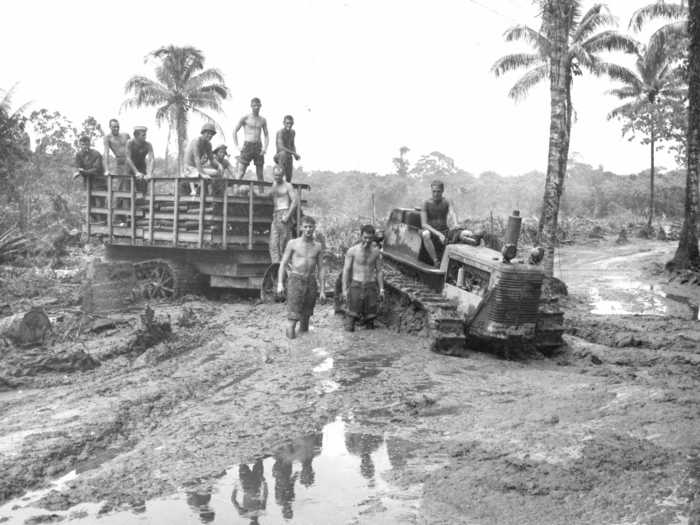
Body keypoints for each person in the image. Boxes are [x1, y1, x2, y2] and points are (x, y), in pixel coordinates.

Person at [277, 215, 326, 339]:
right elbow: (283, 263)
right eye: (306, 227)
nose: (308, 229)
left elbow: (321, 268)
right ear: (301, 228)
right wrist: (280, 283)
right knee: (292, 319)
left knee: (306, 317)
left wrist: (322, 290)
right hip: (295, 280)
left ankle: (303, 349)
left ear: (314, 228)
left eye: (311, 227)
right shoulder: (293, 243)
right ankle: (291, 348)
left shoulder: (318, 246)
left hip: (311, 281)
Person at [342, 224, 384, 331]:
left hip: (370, 285)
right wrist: (344, 289)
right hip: (356, 284)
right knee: (351, 320)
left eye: (370, 238)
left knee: (370, 320)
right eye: (365, 237)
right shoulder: (353, 251)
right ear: (361, 236)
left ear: (373, 237)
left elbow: (379, 271)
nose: (367, 240)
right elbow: (346, 270)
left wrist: (381, 289)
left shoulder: (376, 252)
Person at [420, 180, 458, 267]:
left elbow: (452, 212)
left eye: (438, 191)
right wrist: (439, 234)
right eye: (434, 191)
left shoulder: (447, 201)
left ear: (442, 191)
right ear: (431, 191)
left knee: (463, 233)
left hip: (444, 230)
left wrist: (456, 224)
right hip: (431, 231)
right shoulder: (426, 203)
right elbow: (424, 224)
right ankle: (436, 261)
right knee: (425, 234)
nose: (436, 194)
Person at [267, 165, 299, 264]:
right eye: (276, 175)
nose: (277, 177)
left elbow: (295, 201)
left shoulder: (288, 185)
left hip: (284, 213)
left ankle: (285, 269)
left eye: (279, 175)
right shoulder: (274, 184)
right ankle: (275, 267)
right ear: (273, 175)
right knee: (273, 244)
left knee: (283, 245)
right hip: (276, 215)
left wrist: (288, 216)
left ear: (283, 175)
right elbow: (270, 196)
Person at [233, 97, 269, 181]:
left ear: (260, 106)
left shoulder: (262, 120)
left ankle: (261, 193)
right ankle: (235, 189)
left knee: (260, 174)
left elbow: (266, 135)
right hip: (248, 145)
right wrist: (237, 146)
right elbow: (235, 131)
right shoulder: (245, 118)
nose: (256, 107)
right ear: (251, 106)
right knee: (241, 172)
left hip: (258, 146)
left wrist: (265, 148)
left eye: (257, 105)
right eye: (254, 105)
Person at [184, 122, 222, 196]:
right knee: (205, 175)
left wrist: (219, 165)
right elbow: (196, 158)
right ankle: (196, 189)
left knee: (216, 172)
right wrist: (202, 173)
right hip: (189, 168)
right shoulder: (196, 141)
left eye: (211, 134)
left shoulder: (208, 144)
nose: (209, 136)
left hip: (197, 168)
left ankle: (213, 192)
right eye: (208, 133)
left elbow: (212, 159)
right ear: (203, 133)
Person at [125, 126, 155, 190]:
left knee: (143, 188)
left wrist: (150, 173)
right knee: (127, 190)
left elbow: (151, 159)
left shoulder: (148, 145)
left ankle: (142, 198)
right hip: (130, 168)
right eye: (143, 135)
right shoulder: (130, 143)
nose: (145, 137)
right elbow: (128, 158)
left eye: (145, 135)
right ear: (136, 135)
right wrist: (136, 172)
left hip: (141, 167)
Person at [273, 115, 300, 182]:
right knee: (283, 154)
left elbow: (292, 144)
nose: (289, 125)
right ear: (284, 123)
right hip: (279, 156)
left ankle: (287, 186)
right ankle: (279, 178)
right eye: (287, 123)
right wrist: (294, 153)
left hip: (288, 156)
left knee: (288, 178)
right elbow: (280, 147)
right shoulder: (280, 132)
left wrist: (295, 154)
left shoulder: (292, 132)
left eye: (291, 123)